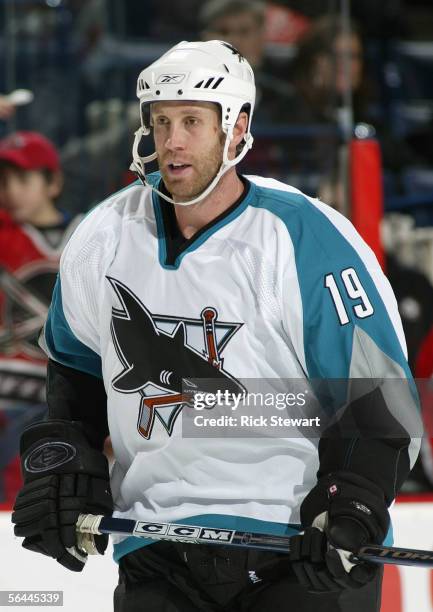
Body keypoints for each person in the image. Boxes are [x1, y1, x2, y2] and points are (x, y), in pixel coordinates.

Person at [11, 41, 421, 612]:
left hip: (300, 550)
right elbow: (74, 378)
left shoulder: (307, 240)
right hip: (154, 545)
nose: (173, 141)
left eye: (192, 122)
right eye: (161, 122)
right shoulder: (102, 236)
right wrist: (65, 465)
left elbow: (380, 403)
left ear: (237, 128)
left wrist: (350, 501)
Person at [0, 131, 81, 504]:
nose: (11, 190)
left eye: (23, 179)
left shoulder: (92, 235)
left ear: (54, 181)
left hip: (57, 403)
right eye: (4, 181)